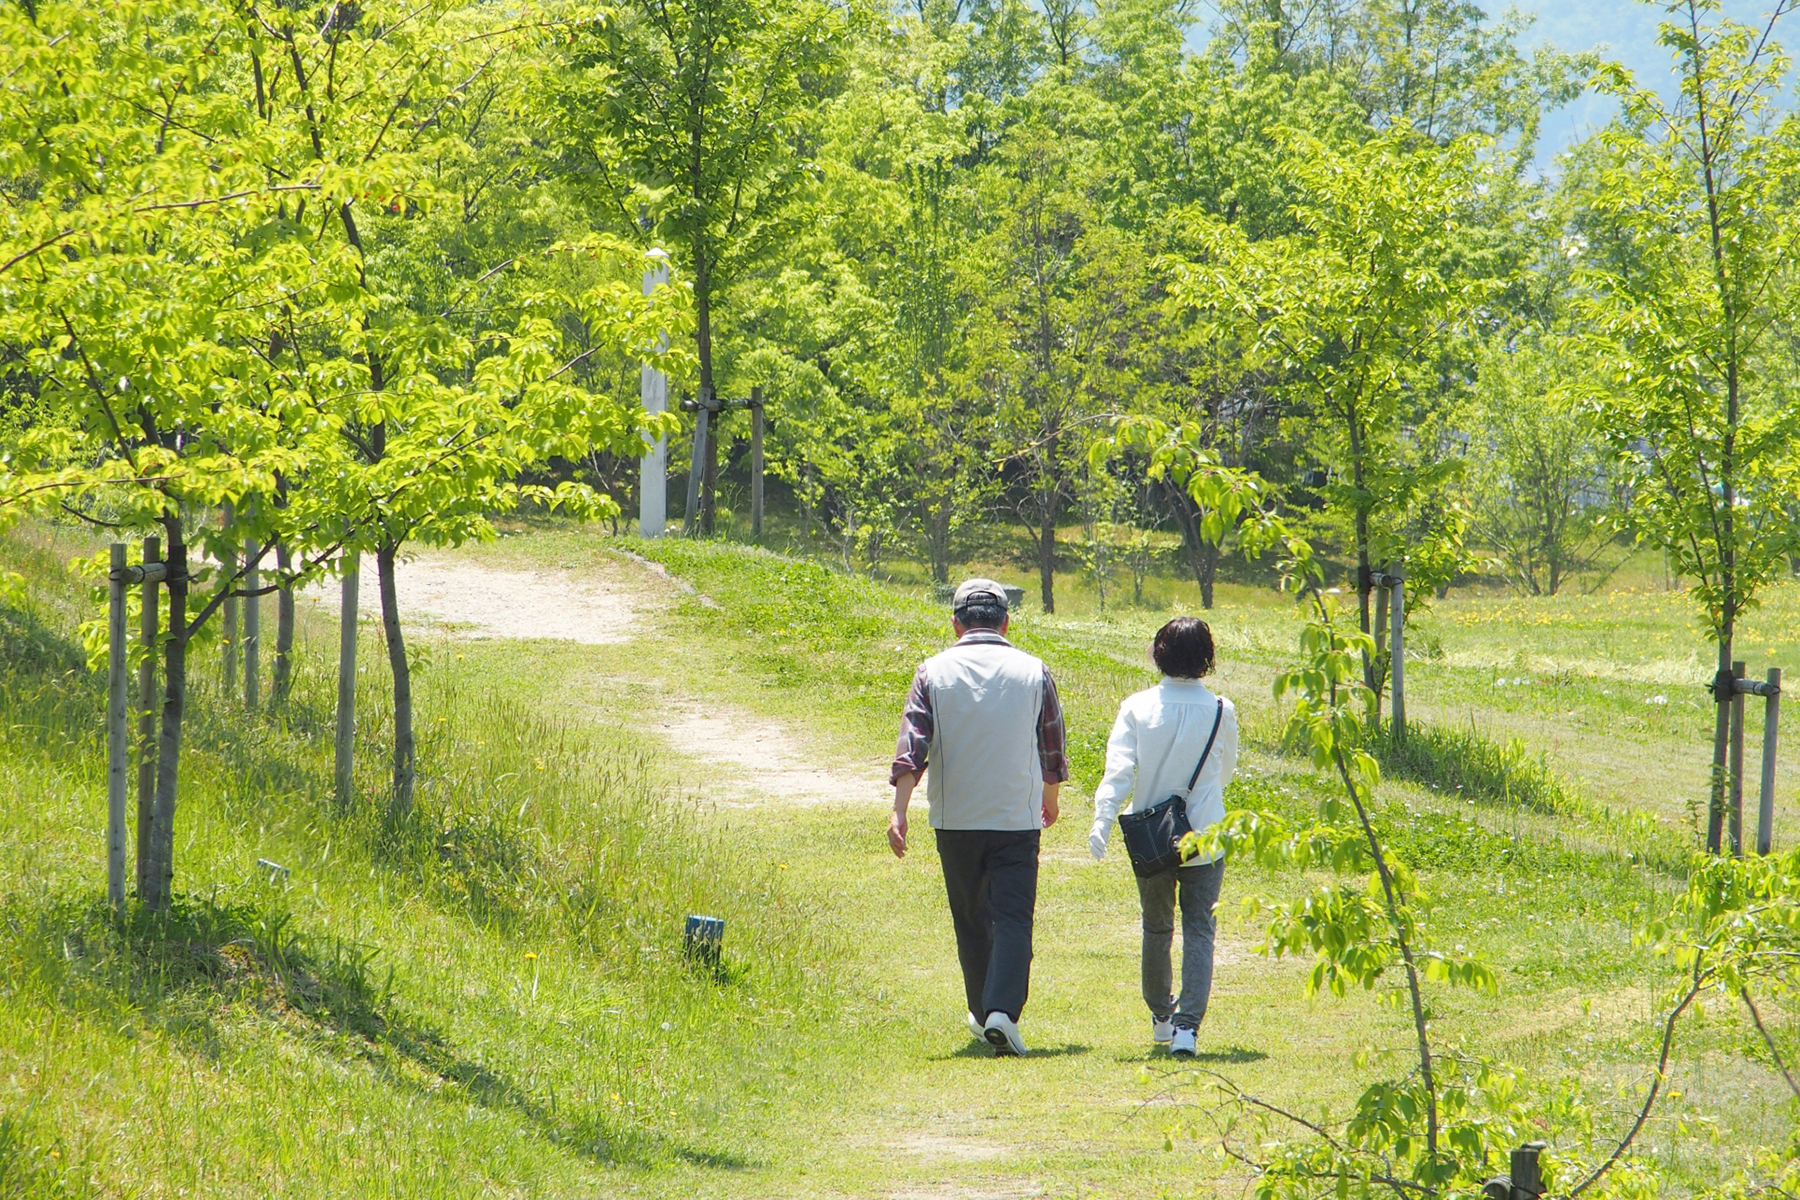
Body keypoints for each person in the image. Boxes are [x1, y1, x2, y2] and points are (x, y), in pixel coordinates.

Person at [889, 578, 1068, 1057]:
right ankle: (1000, 1013)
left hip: (956, 817)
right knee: (1012, 917)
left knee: (971, 918)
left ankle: (985, 1009)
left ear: (955, 624)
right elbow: (1052, 743)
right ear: (1007, 622)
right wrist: (1050, 796)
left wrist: (899, 811)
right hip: (1016, 815)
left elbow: (913, 747)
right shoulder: (1034, 671)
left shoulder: (932, 671)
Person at [1089, 617, 1238, 1059]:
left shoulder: (1137, 706)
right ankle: (1188, 1028)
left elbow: (1118, 771)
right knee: (1199, 930)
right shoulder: (1220, 709)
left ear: (1159, 653)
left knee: (1156, 927)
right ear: (1207, 658)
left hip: (1152, 836)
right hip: (1206, 832)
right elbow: (1225, 772)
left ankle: (1161, 1017)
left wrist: (1102, 818)